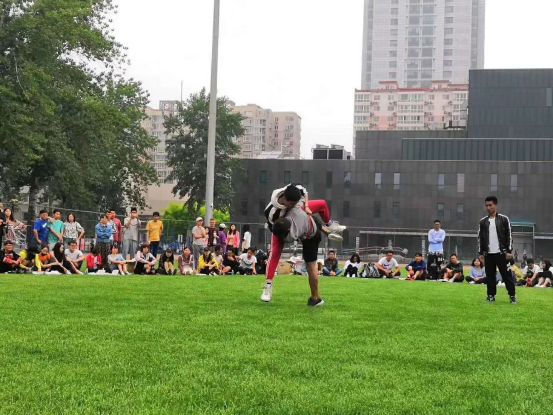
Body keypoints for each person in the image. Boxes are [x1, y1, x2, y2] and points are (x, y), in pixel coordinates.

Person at [260, 206, 331, 306]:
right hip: (308, 223)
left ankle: (315, 298)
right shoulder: (294, 209)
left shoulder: (294, 231)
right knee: (310, 266)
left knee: (311, 266)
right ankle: (327, 229)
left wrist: (328, 222)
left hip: (312, 235)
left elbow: (321, 206)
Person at [264, 184, 346, 236]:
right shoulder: (272, 213)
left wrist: (306, 206)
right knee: (306, 217)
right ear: (285, 199)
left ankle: (329, 225)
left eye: (295, 203)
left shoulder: (290, 189)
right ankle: (305, 232)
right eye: (292, 204)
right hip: (284, 222)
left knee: (322, 204)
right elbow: (275, 228)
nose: (294, 205)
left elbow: (304, 191)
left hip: (297, 209)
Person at [478, 196, 517, 304]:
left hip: (502, 253)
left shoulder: (504, 219)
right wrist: (481, 254)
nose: (488, 207)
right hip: (488, 254)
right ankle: (491, 296)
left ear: (495, 205)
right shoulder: (483, 221)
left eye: (490, 205)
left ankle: (512, 296)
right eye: (486, 205)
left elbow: (509, 235)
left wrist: (509, 251)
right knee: (490, 276)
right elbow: (480, 238)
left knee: (507, 275)